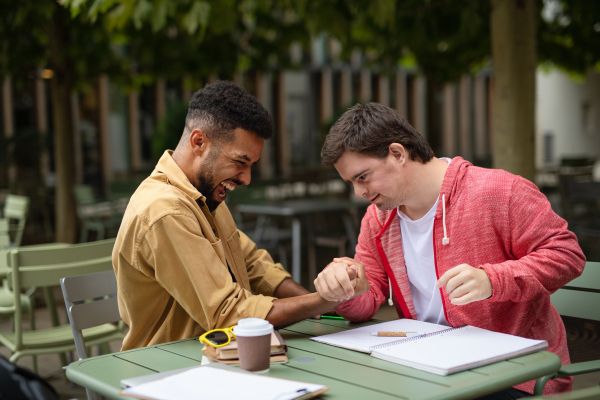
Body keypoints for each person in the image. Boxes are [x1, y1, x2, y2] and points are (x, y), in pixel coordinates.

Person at [314, 102, 585, 398]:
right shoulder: (378, 218)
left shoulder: (499, 191)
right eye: (351, 182)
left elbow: (566, 254)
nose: (359, 193)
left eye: (363, 176)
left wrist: (493, 280)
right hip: (427, 369)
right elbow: (367, 303)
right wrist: (345, 287)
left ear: (397, 153)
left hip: (516, 375)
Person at [112, 81, 364, 351]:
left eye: (251, 166)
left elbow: (256, 267)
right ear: (199, 142)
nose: (246, 178)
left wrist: (320, 306)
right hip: (167, 371)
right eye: (240, 163)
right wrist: (325, 300)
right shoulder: (165, 211)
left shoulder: (203, 195)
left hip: (215, 356)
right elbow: (229, 315)